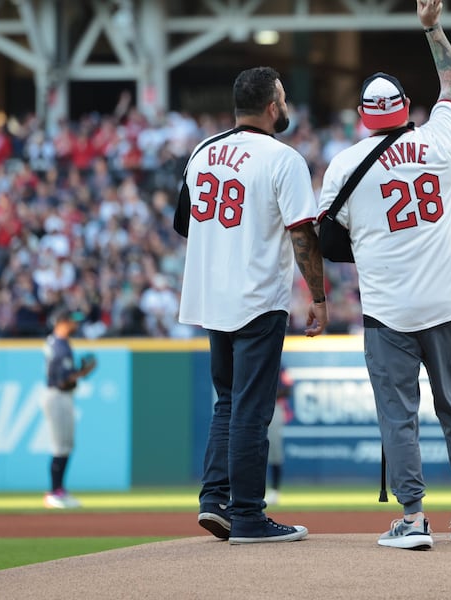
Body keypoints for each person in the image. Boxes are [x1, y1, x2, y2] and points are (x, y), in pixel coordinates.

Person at [318, 0, 451, 550]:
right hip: (444, 299)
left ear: (364, 117)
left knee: (399, 415)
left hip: (388, 308)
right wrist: (432, 27)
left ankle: (413, 519)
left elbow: (326, 238)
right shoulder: (438, 140)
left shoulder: (344, 164)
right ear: (406, 107)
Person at [175, 66, 328, 544]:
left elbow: (185, 222)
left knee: (228, 401)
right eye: (282, 99)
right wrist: (319, 297)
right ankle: (247, 515)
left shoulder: (202, 152)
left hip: (210, 295)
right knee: (252, 409)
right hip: (257, 295)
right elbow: (302, 232)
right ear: (270, 107)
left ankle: (214, 500)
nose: (285, 106)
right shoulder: (283, 159)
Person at [41, 310, 97, 509]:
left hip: (61, 395)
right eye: (73, 321)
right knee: (60, 445)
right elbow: (63, 380)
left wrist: (78, 373)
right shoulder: (59, 345)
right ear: (62, 322)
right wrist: (82, 372)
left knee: (66, 444)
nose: (76, 325)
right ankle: (54, 492)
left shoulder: (57, 342)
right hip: (57, 395)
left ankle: (59, 490)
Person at [265, 368, 293, 506]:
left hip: (275, 406)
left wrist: (267, 393)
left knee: (274, 450)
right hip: (252, 405)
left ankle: (274, 491)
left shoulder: (280, 366)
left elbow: (288, 389)